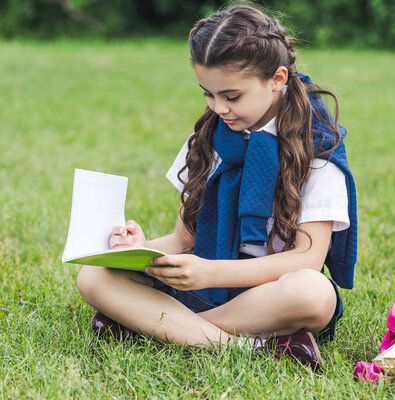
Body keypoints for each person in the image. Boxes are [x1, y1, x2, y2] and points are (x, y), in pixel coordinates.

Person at [76, 4, 357, 371]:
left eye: (232, 96)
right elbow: (182, 241)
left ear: (277, 78)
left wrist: (210, 274)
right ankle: (248, 347)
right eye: (208, 94)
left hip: (266, 295)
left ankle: (156, 324)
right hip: (201, 285)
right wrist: (137, 250)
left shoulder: (316, 148)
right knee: (93, 276)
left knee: (314, 293)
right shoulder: (208, 138)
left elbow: (307, 259)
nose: (219, 108)